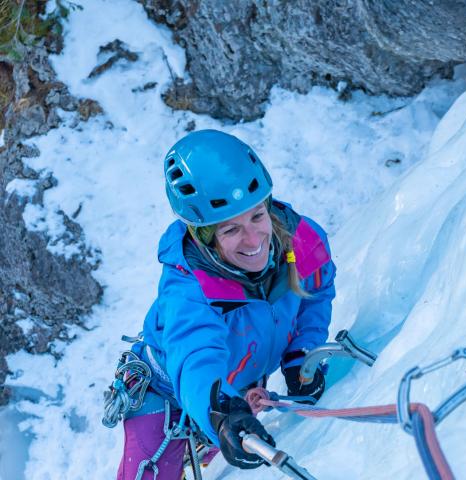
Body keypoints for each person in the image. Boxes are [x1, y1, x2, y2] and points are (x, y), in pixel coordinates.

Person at [116, 130, 336, 479]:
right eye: (230, 230)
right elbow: (195, 355)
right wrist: (222, 412)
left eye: (257, 216)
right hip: (167, 393)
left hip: (234, 390)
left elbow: (316, 296)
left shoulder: (301, 240)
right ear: (205, 238)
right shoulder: (189, 289)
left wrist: (301, 352)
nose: (254, 240)